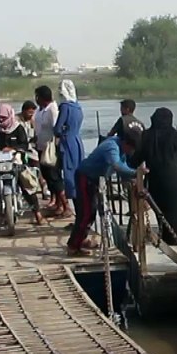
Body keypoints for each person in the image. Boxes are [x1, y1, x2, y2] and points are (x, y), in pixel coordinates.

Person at [68, 127, 143, 256]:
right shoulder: (112, 146)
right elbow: (117, 165)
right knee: (86, 213)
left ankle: (81, 239)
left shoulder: (121, 148)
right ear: (126, 143)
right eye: (131, 148)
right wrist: (136, 173)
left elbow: (122, 165)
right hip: (85, 177)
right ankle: (73, 246)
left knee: (91, 213)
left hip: (95, 179)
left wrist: (131, 177)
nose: (131, 151)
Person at [0, 104, 43, 228]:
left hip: (15, 161)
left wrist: (13, 149)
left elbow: (24, 144)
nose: (1, 120)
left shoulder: (18, 128)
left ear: (10, 115)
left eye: (3, 117)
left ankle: (37, 213)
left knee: (26, 183)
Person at [133, 107, 177, 243]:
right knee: (175, 208)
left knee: (160, 209)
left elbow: (136, 159)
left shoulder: (146, 136)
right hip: (174, 178)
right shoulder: (175, 135)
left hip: (155, 179)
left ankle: (165, 235)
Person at [34, 85, 68, 218]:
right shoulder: (41, 110)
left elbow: (57, 129)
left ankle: (65, 205)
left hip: (50, 149)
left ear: (42, 97)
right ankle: (56, 203)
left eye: (37, 96)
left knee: (55, 177)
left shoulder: (52, 110)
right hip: (41, 146)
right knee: (48, 177)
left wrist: (56, 147)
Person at [55, 80, 86, 223]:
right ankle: (81, 215)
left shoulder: (65, 107)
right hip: (77, 142)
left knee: (70, 177)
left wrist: (60, 132)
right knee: (79, 176)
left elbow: (57, 128)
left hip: (67, 143)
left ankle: (78, 217)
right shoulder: (78, 107)